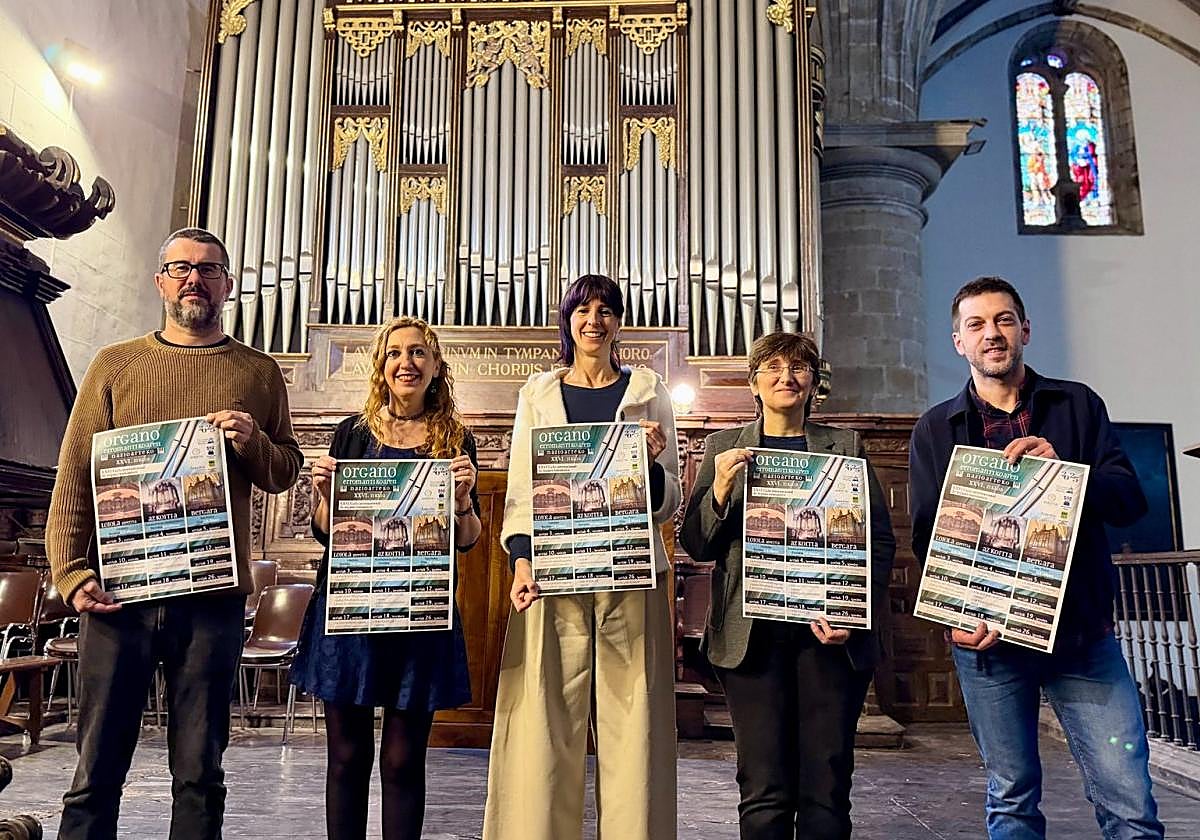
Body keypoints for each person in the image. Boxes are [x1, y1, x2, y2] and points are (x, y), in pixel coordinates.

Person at [46, 227, 304, 840]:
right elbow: (73, 477)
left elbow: (285, 471)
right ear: (160, 279)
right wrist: (70, 573)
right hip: (117, 598)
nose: (195, 279)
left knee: (199, 773)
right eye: (181, 267)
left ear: (229, 284)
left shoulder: (259, 371)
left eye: (209, 269)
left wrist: (252, 442)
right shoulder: (116, 363)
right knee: (95, 771)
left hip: (211, 599)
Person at [909, 276, 1163, 840]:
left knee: (1128, 800)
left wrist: (1066, 476)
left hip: (1081, 637)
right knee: (1011, 798)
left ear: (1025, 329)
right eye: (976, 324)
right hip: (989, 644)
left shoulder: (1077, 404)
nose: (991, 334)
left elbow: (1127, 500)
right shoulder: (934, 429)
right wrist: (955, 615)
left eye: (1003, 320)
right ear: (959, 341)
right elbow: (928, 536)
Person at [482, 274, 681, 840]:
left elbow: (668, 501)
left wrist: (650, 467)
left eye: (606, 310)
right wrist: (522, 562)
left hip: (632, 572)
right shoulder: (537, 393)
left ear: (619, 322)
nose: (595, 319)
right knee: (543, 723)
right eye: (583, 309)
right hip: (552, 573)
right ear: (568, 320)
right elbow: (522, 488)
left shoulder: (650, 391)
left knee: (636, 722)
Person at [680, 332, 895, 840]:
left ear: (813, 381)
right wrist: (720, 491)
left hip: (830, 637)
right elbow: (697, 544)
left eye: (799, 367)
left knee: (826, 787)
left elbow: (879, 543)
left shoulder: (845, 448)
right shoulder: (721, 447)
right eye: (773, 367)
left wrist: (851, 609)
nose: (786, 376)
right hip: (752, 639)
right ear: (753, 382)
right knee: (763, 788)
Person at [290, 316, 482, 840]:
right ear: (381, 366)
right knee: (347, 757)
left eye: (419, 352)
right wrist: (325, 495)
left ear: (436, 366)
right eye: (395, 353)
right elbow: (327, 532)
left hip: (421, 612)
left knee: (402, 761)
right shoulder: (351, 432)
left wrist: (463, 501)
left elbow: (468, 537)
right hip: (350, 610)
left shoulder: (456, 438)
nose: (407, 362)